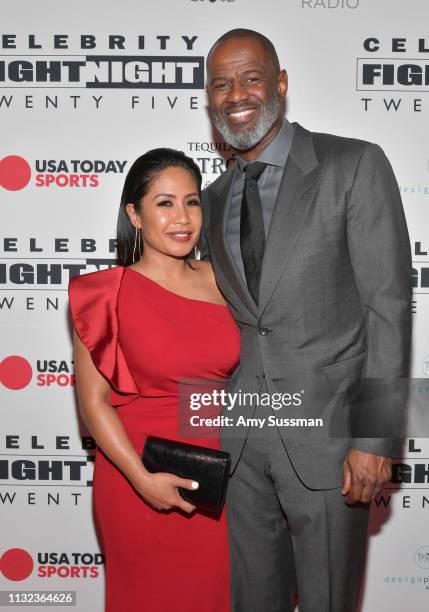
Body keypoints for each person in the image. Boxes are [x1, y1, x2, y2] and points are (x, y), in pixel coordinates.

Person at [200, 28, 412, 612]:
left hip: (332, 445)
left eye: (249, 77)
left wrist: (375, 438)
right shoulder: (213, 197)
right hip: (241, 448)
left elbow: (388, 307)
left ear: (281, 85)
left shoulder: (353, 163)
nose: (234, 94)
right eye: (219, 84)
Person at [68, 148, 240, 612]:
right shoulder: (104, 294)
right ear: (135, 215)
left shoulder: (228, 280)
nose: (182, 218)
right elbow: (94, 402)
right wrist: (142, 481)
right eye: (164, 203)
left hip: (222, 478)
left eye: (192, 201)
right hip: (136, 479)